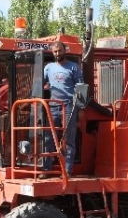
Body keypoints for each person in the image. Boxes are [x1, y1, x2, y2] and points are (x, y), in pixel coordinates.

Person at [40, 40, 84, 178]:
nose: (57, 53)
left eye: (59, 50)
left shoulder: (74, 67)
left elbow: (81, 88)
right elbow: (40, 84)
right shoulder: (48, 68)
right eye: (55, 51)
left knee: (69, 139)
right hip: (53, 106)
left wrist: (81, 108)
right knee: (49, 138)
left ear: (64, 50)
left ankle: (68, 171)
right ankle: (46, 169)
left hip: (69, 106)